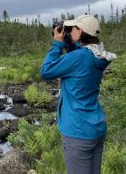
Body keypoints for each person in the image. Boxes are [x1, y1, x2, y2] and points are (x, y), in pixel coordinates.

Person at [40, 15, 116, 174]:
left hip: (78, 131)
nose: (69, 31)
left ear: (80, 31)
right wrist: (70, 43)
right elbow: (81, 57)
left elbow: (46, 71)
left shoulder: (78, 58)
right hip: (95, 127)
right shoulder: (97, 55)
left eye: (72, 28)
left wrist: (57, 44)